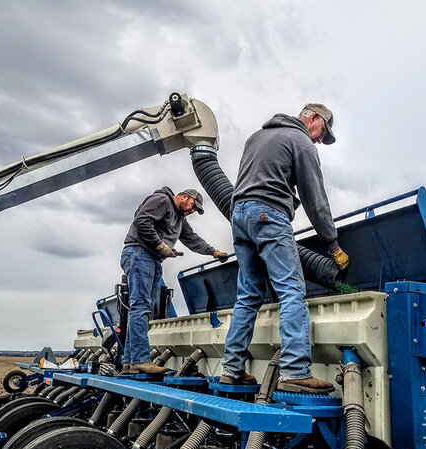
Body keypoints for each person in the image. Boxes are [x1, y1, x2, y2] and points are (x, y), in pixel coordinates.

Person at [220, 103, 349, 393]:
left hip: (239, 217)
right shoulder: (301, 141)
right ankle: (295, 371)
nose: (319, 139)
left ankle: (231, 369)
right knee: (291, 289)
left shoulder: (256, 137)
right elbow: (315, 200)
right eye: (323, 132)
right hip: (267, 214)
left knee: (248, 295)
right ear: (313, 118)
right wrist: (333, 245)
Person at [120, 187, 228, 375]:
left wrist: (213, 252)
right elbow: (142, 222)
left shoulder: (180, 219)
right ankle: (139, 360)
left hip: (151, 258)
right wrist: (160, 245)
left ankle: (130, 363)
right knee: (141, 306)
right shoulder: (162, 200)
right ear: (184, 197)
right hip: (139, 253)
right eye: (193, 206)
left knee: (142, 307)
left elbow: (191, 238)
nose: (192, 211)